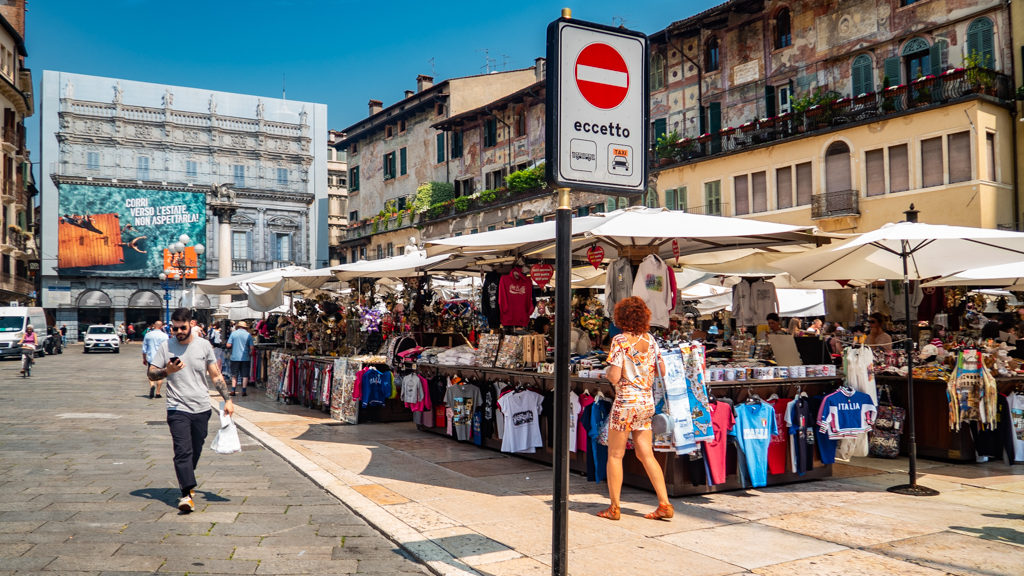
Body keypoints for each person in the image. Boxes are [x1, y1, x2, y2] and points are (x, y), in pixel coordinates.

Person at [147, 308, 234, 513]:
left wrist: (227, 400)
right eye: (174, 328)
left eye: (182, 327)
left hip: (202, 407)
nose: (178, 331)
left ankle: (187, 476)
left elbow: (215, 375)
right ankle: (186, 494)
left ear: (191, 324)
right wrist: (167, 371)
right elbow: (151, 374)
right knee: (182, 450)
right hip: (177, 407)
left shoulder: (204, 345)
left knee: (195, 448)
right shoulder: (166, 346)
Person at [598, 296, 673, 521]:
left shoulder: (620, 340)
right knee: (646, 453)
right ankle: (664, 503)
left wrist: (610, 376)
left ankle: (614, 507)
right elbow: (662, 369)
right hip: (645, 401)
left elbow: (614, 374)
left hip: (626, 401)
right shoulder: (650, 339)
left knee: (615, 454)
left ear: (622, 317)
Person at [226, 321, 254, 396]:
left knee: (234, 375)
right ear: (245, 327)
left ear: (238, 327)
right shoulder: (248, 335)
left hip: (234, 357)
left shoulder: (233, 334)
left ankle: (233, 390)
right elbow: (252, 347)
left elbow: (228, 345)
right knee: (244, 375)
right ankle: (244, 391)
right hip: (245, 358)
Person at [142, 320, 169, 399]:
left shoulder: (148, 335)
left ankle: (152, 385)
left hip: (151, 358)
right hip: (161, 358)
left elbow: (144, 348)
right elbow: (167, 348)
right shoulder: (165, 336)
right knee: (160, 376)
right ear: (161, 327)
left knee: (150, 374)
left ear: (154, 326)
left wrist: (144, 358)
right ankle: (158, 392)